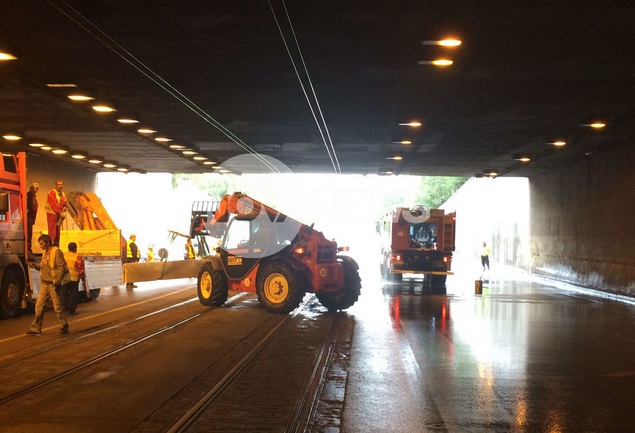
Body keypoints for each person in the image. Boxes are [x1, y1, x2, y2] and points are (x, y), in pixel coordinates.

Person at [25, 234, 70, 336]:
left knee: (57, 307)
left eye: (41, 244)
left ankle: (64, 326)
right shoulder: (45, 252)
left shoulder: (56, 252)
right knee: (38, 306)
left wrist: (57, 282)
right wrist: (35, 266)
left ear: (47, 242)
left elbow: (61, 267)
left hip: (53, 284)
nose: (40, 246)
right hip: (44, 284)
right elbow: (43, 266)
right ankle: (36, 328)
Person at [60, 242, 88, 315]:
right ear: (75, 248)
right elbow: (80, 269)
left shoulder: (63, 255)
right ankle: (71, 310)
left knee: (64, 294)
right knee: (73, 294)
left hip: (64, 278)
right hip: (73, 278)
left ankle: (64, 309)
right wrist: (83, 278)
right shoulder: (77, 257)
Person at [44, 180, 67, 247]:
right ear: (56, 185)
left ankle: (56, 247)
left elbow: (64, 203)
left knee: (57, 233)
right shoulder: (52, 192)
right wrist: (60, 212)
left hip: (58, 215)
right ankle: (50, 247)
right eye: (58, 184)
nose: (60, 186)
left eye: (61, 185)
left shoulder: (63, 194)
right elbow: (53, 204)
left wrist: (64, 207)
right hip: (52, 214)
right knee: (52, 231)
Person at [26, 182, 39, 254]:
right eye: (35, 188)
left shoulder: (33, 196)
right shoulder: (29, 195)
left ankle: (29, 249)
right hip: (28, 218)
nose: (36, 190)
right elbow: (30, 206)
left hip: (31, 218)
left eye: (37, 189)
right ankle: (28, 250)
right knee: (28, 234)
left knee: (30, 234)